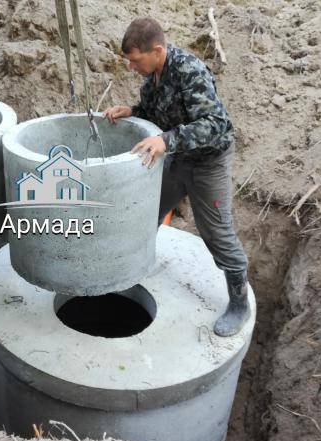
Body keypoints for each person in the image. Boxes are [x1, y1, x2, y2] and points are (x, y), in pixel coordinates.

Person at [104, 17, 250, 337]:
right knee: (147, 210)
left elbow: (216, 124)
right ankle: (135, 267)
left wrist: (167, 141)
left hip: (208, 162)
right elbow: (159, 112)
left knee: (217, 233)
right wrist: (132, 111)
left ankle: (239, 304)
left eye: (135, 60)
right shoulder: (152, 77)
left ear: (157, 51)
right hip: (179, 156)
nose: (130, 67)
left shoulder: (189, 71)